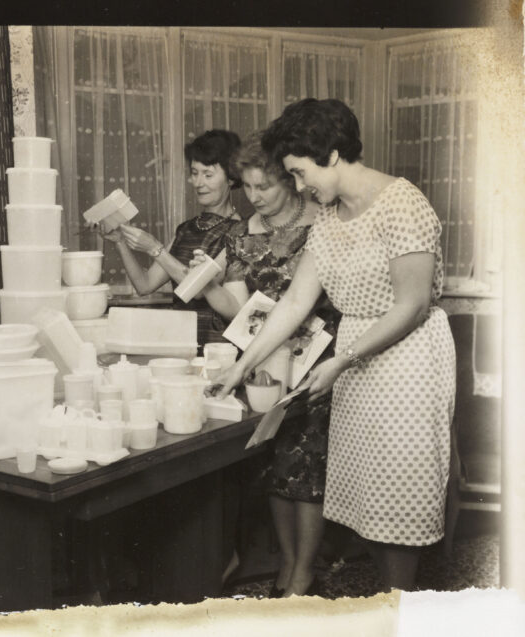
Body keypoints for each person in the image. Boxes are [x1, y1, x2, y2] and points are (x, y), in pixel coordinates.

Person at [217, 98, 456, 592]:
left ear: (331, 154)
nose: (300, 188)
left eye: (301, 174)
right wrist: (243, 365)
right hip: (357, 363)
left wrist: (343, 361)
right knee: (371, 503)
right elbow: (295, 303)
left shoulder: (402, 204)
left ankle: (400, 609)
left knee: (398, 500)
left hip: (406, 363)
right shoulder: (329, 219)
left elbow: (410, 305)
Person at [190, 133, 340, 597]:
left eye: (264, 187)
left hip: (317, 362)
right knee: (274, 464)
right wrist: (205, 282)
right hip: (263, 364)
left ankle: (304, 570)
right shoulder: (240, 234)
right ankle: (289, 563)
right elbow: (236, 311)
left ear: (290, 182)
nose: (253, 197)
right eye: (248, 187)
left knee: (308, 467)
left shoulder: (327, 225)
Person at [96, 129, 242, 347]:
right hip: (181, 342)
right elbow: (144, 285)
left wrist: (155, 248)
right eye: (194, 173)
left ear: (231, 178)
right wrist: (120, 242)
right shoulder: (186, 229)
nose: (198, 182)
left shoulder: (240, 232)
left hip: (217, 347)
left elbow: (201, 290)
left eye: (208, 174)